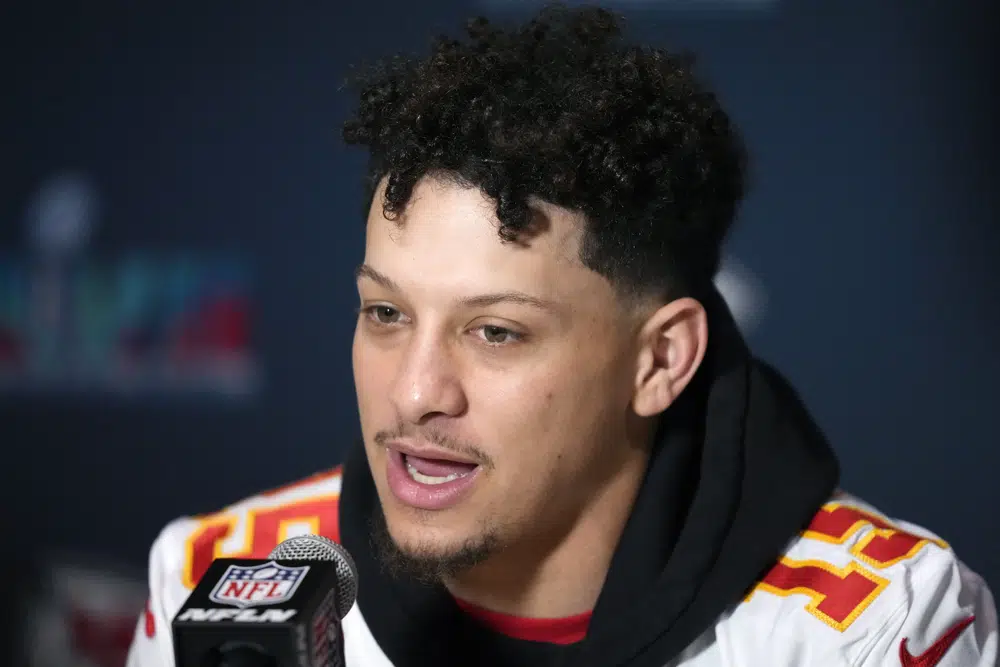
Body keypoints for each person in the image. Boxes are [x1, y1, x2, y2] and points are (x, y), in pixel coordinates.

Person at [126, 4, 998, 666]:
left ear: (659, 360)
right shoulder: (217, 582)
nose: (417, 390)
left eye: (496, 331)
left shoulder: (876, 633)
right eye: (386, 314)